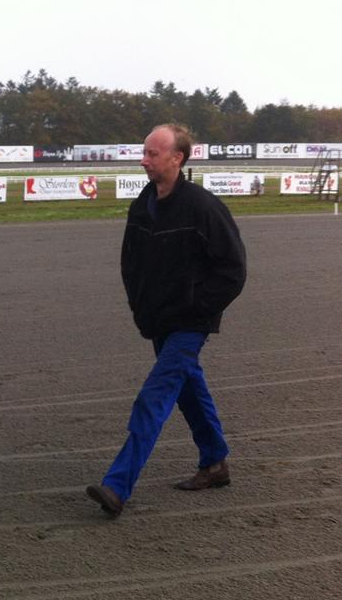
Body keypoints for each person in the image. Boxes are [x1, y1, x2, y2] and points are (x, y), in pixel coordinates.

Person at [86, 124, 247, 518]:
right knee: (189, 387)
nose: (144, 160)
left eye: (153, 154)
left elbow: (233, 270)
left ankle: (117, 486)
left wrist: (198, 308)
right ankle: (214, 462)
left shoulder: (203, 208)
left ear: (177, 158)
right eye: (144, 153)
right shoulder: (143, 204)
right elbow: (131, 263)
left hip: (190, 323)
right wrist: (140, 307)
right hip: (158, 319)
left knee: (154, 398)